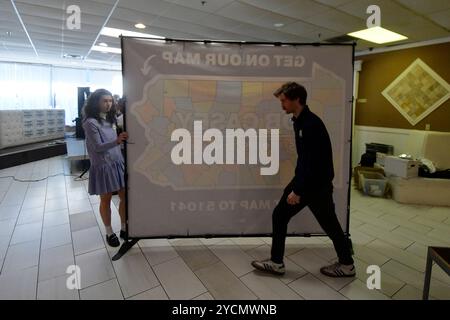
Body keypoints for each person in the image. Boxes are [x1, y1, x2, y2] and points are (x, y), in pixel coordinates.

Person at [251, 82, 355, 278]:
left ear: (296, 99)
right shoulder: (299, 120)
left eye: (284, 101)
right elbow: (306, 160)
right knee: (329, 224)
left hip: (312, 185)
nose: (282, 105)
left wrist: (297, 190)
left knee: (280, 215)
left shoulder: (310, 124)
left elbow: (311, 161)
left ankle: (276, 263)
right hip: (314, 183)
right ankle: (347, 263)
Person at [82, 89, 129, 247]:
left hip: (118, 162)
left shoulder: (112, 118)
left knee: (124, 197)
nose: (108, 104)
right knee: (106, 200)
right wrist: (117, 141)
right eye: (105, 101)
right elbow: (98, 147)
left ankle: (124, 227)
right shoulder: (90, 122)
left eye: (110, 101)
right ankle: (109, 232)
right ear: (96, 102)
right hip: (103, 166)